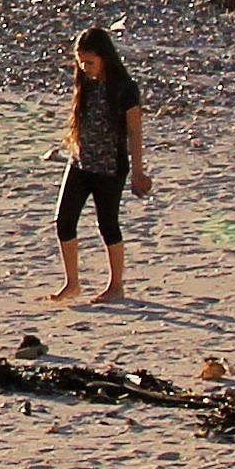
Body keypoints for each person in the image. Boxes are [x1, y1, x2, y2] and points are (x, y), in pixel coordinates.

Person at [48, 23, 148, 305]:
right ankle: (72, 283)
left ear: (105, 57)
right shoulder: (85, 82)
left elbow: (134, 131)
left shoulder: (125, 89)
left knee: (108, 224)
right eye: (81, 61)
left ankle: (116, 286)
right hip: (80, 162)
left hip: (110, 167)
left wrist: (138, 171)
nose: (84, 67)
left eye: (89, 62)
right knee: (64, 220)